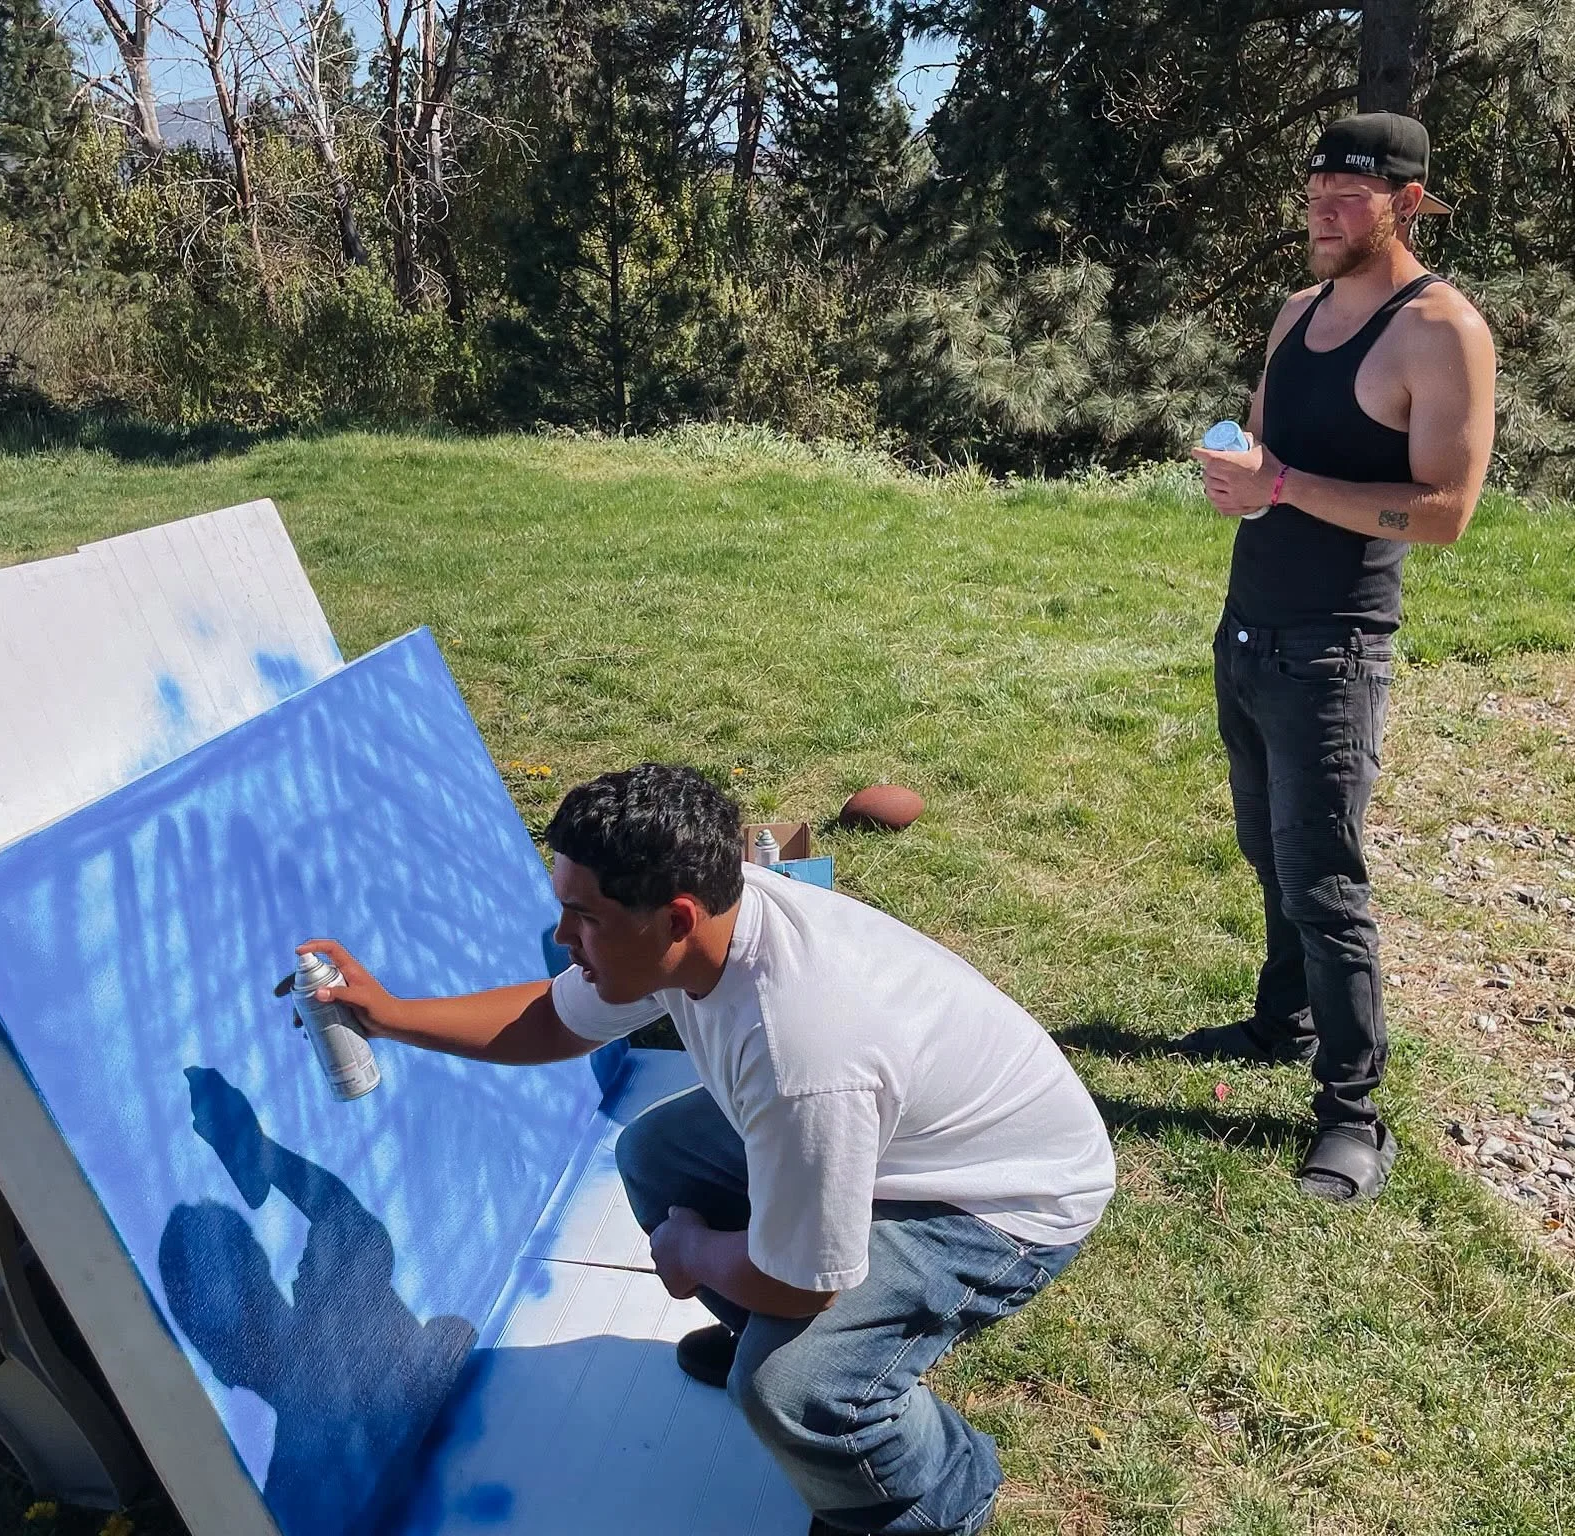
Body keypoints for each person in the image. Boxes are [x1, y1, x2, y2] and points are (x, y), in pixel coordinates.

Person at [300, 762, 1115, 1536]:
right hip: (904, 1130)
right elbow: (552, 1019)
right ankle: (772, 1339)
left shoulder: (801, 1056)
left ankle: (942, 1496)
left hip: (1004, 1200)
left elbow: (803, 1289)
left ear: (676, 918)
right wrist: (389, 1014)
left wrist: (693, 1249)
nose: (562, 935)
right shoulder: (692, 924)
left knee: (789, 1389)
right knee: (656, 1158)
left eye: (584, 917)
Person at [1183, 112, 1497, 1203]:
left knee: (1324, 880)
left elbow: (1445, 512)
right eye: (1311, 191)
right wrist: (1237, 463)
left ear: (1406, 203)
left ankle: (1352, 1112)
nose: (1319, 213)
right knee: (1267, 855)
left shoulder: (1441, 332)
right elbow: (1272, 446)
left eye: (1345, 197)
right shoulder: (1294, 311)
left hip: (1335, 648)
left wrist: (1277, 488)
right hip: (1248, 623)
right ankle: (1284, 1019)